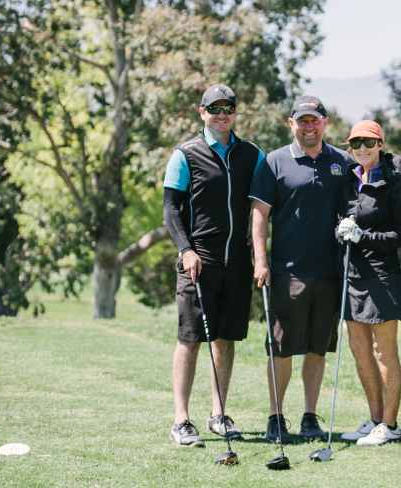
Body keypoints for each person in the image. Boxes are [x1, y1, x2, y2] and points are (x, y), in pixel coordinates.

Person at [161, 83, 266, 447]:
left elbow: (262, 206)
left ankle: (218, 414)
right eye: (215, 108)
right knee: (190, 338)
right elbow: (171, 209)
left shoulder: (253, 154)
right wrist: (186, 249)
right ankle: (181, 419)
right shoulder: (185, 155)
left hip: (237, 259)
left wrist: (258, 251)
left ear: (235, 113)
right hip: (199, 260)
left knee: (225, 338)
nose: (222, 114)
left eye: (229, 108)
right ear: (202, 112)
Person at [249, 95, 352, 444]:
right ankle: (276, 417)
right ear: (291, 124)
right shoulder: (274, 162)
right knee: (282, 349)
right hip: (287, 272)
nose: (309, 126)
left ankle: (310, 416)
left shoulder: (343, 161)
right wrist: (261, 260)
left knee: (317, 349)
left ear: (325, 123)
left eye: (315, 120)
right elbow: (259, 214)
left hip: (330, 272)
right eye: (302, 121)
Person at [330, 120, 401, 446]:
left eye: (368, 142)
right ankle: (375, 418)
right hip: (352, 273)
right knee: (359, 349)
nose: (361, 149)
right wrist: (342, 229)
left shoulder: (395, 181)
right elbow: (341, 217)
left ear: (380, 144)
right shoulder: (349, 180)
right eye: (356, 144)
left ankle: (391, 425)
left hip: (382, 274)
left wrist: (365, 237)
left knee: (384, 351)